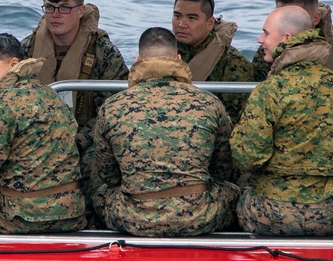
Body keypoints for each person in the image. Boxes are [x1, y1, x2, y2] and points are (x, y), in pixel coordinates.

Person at [89, 28, 238, 236]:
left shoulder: (112, 106)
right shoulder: (209, 102)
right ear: (178, 59)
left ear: (138, 59)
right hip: (199, 216)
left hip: (133, 218)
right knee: (234, 192)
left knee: (101, 195)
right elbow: (222, 169)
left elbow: (109, 175)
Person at [232, 6, 333, 236]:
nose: (261, 40)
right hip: (332, 214)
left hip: (272, 214)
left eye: (266, 33)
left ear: (286, 38)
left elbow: (247, 156)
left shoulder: (270, 90)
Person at [0, 33, 86, 234]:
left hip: (22, 217)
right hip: (71, 214)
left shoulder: (4, 102)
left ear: (13, 63)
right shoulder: (51, 95)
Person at [20, 0, 129, 151]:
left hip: (86, 140)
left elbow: (113, 108)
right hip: (36, 137)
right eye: (49, 7)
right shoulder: (28, 48)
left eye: (64, 8)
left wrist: (77, 142)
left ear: (80, 11)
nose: (55, 15)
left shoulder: (103, 52)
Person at [171, 0, 252, 124]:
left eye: (192, 18)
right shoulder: (163, 53)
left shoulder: (233, 63)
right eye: (177, 16)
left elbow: (238, 121)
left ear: (210, 23)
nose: (181, 24)